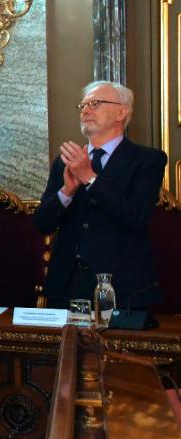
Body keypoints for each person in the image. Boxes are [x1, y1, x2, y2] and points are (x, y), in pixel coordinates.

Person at [33, 81, 166, 309]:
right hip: (66, 286)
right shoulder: (65, 161)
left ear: (121, 112)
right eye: (83, 105)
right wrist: (66, 192)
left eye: (95, 103)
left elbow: (135, 216)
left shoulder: (147, 160)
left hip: (120, 288)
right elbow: (42, 224)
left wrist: (90, 177)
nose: (85, 110)